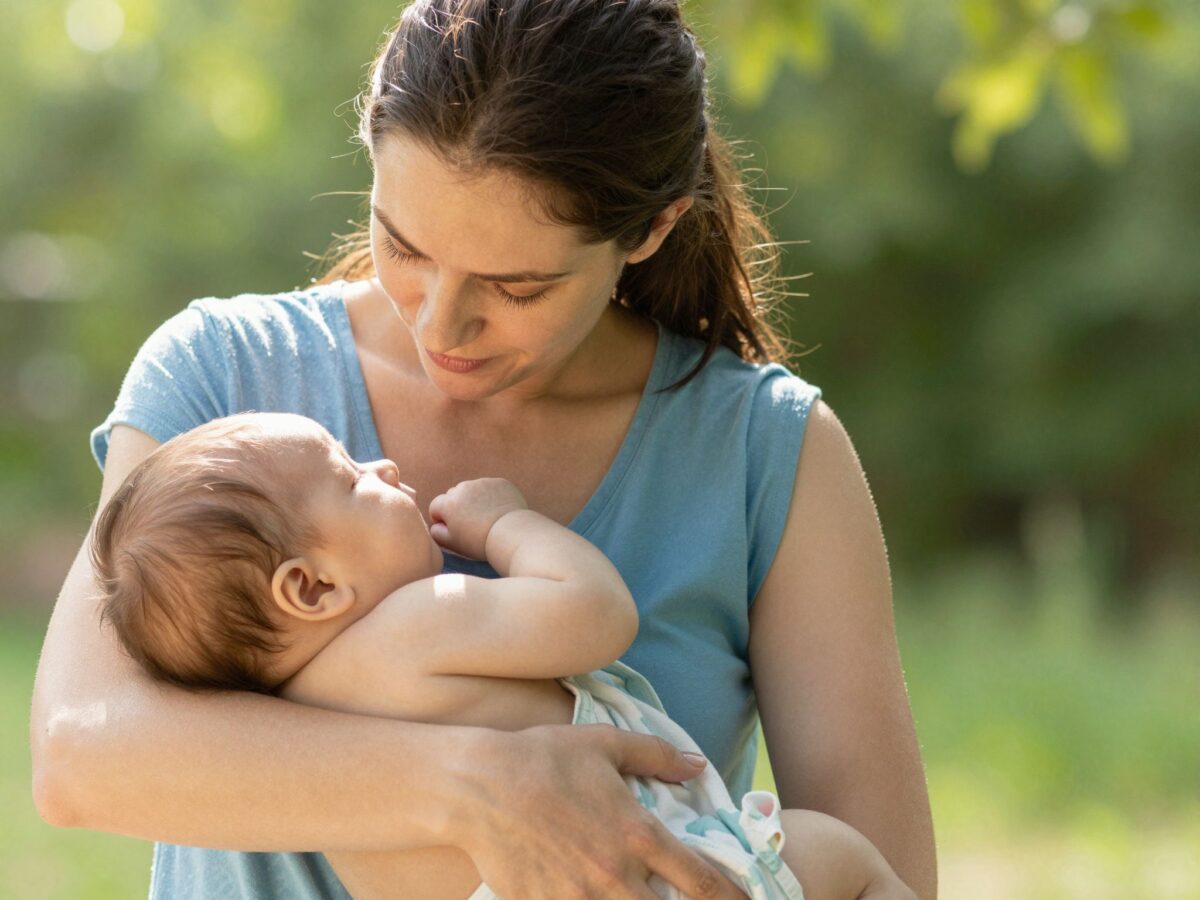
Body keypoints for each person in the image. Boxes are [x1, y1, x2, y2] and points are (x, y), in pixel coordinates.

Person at [30, 1, 938, 898]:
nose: (439, 322)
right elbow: (83, 754)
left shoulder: (764, 452)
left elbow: (881, 868)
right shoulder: (225, 381)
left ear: (652, 229)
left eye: (515, 285)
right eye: (403, 244)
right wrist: (478, 792)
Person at [88, 410, 916, 900]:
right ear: (312, 589)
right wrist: (503, 524)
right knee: (842, 858)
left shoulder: (294, 741)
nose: (379, 464)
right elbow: (594, 615)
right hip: (668, 874)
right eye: (348, 479)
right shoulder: (413, 630)